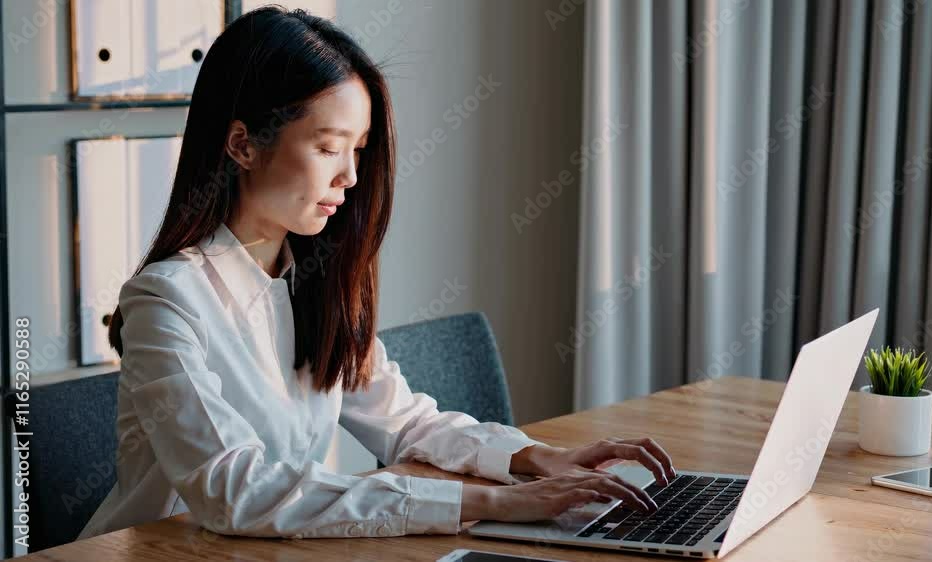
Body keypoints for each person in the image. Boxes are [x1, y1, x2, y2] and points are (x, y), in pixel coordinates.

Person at [79, 6, 676, 541]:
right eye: (328, 146)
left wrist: (535, 459)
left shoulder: (312, 284)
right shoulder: (168, 301)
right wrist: (492, 502)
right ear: (242, 144)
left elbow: (406, 422)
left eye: (359, 149)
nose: (350, 178)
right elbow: (237, 490)